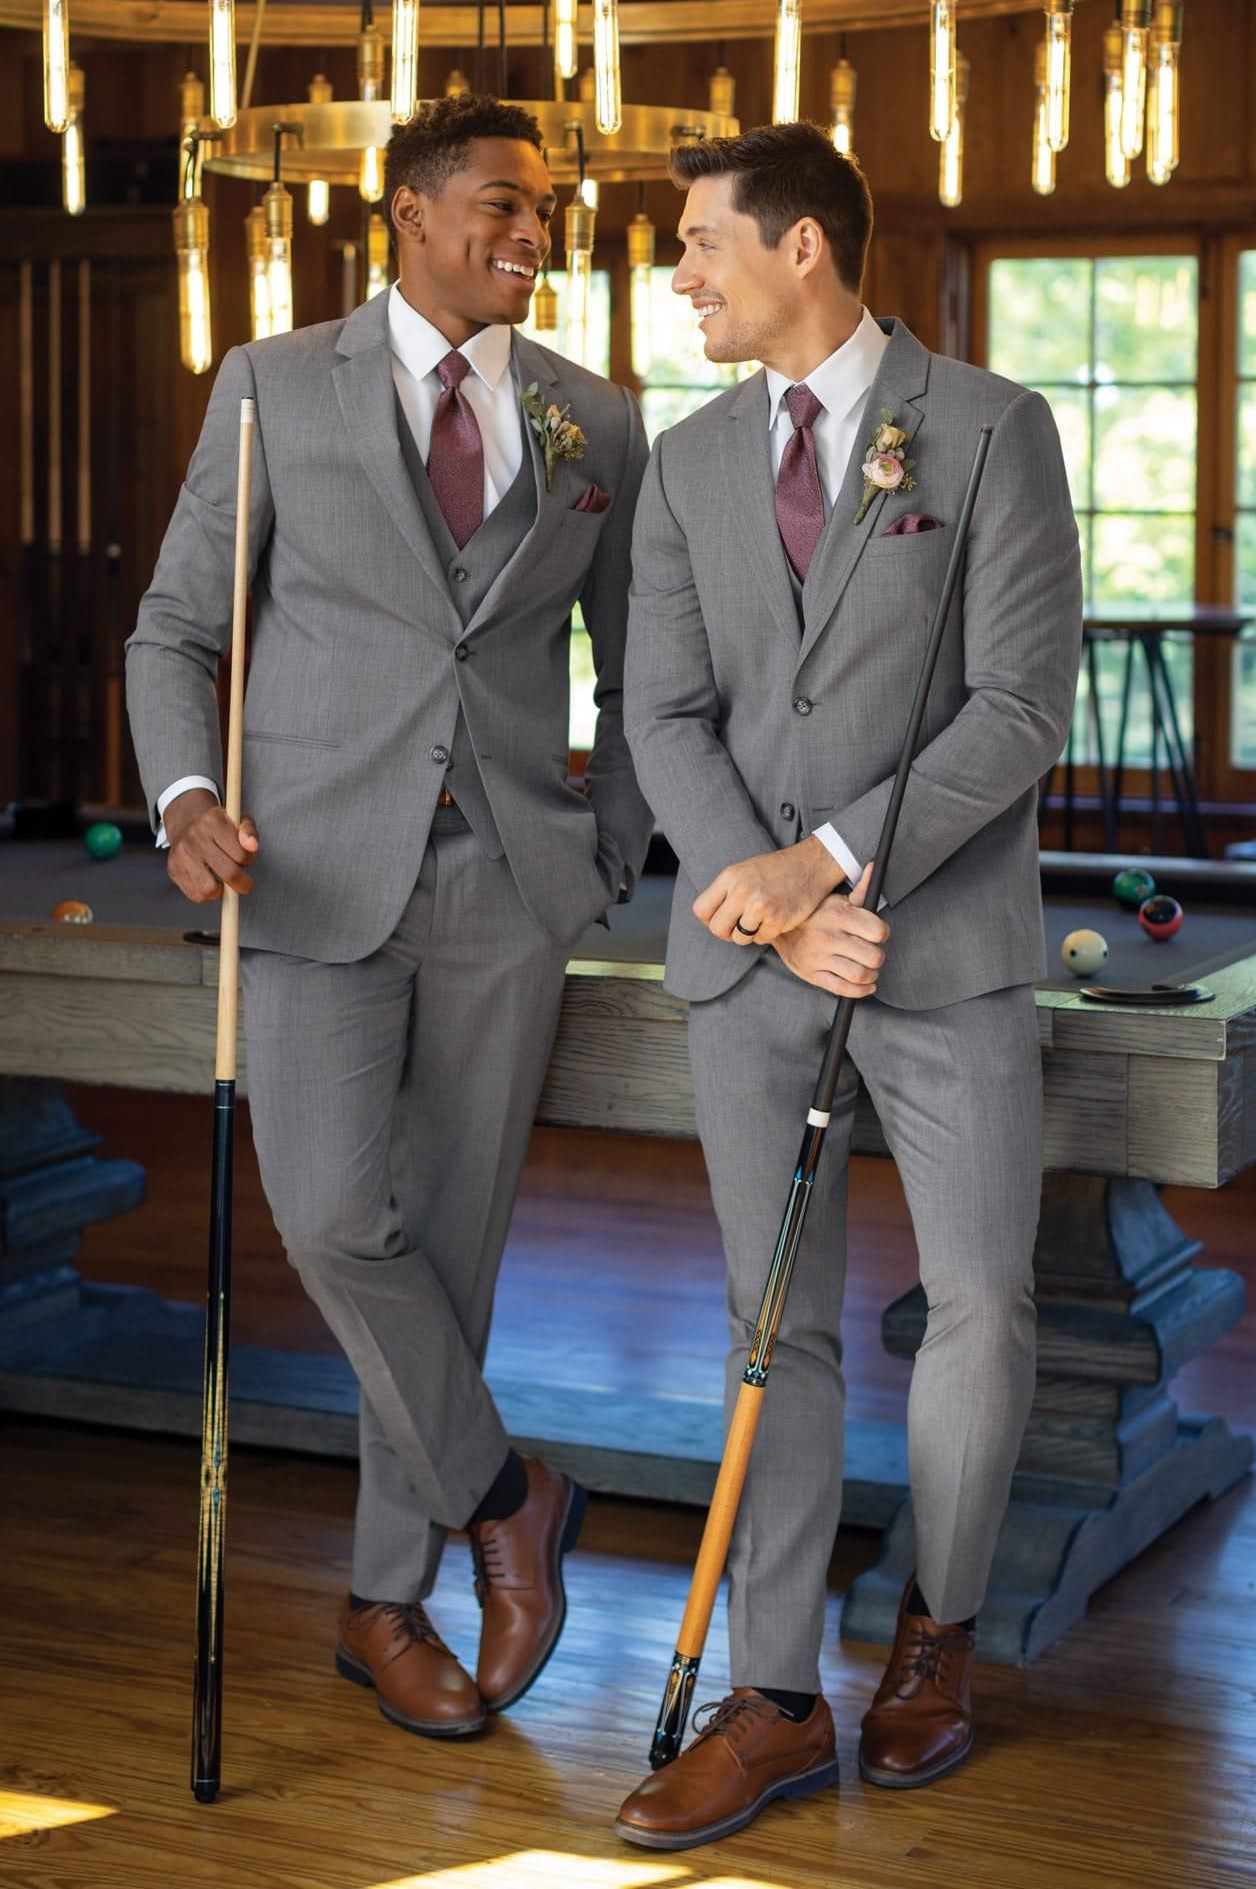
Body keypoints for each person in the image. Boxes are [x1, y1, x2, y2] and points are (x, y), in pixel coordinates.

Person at [126, 95, 650, 1740]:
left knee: (455, 1256)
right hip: (308, 872)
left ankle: (380, 1601)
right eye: (502, 201)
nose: (533, 231)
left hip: (510, 888)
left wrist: (610, 848)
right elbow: (173, 635)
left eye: (547, 208)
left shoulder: (597, 420)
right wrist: (183, 801)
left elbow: (644, 675)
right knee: (342, 1223)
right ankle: (510, 1497)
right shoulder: (276, 387)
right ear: (410, 212)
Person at [615, 121, 1080, 1850]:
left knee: (980, 1301)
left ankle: (937, 1643)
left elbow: (1021, 707)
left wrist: (834, 863)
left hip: (944, 950)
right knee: (770, 1327)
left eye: (700, 243)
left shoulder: (990, 428)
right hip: (754, 965)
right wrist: (771, 903)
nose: (680, 275)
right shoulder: (681, 459)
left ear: (802, 247)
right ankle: (779, 1697)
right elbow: (658, 712)